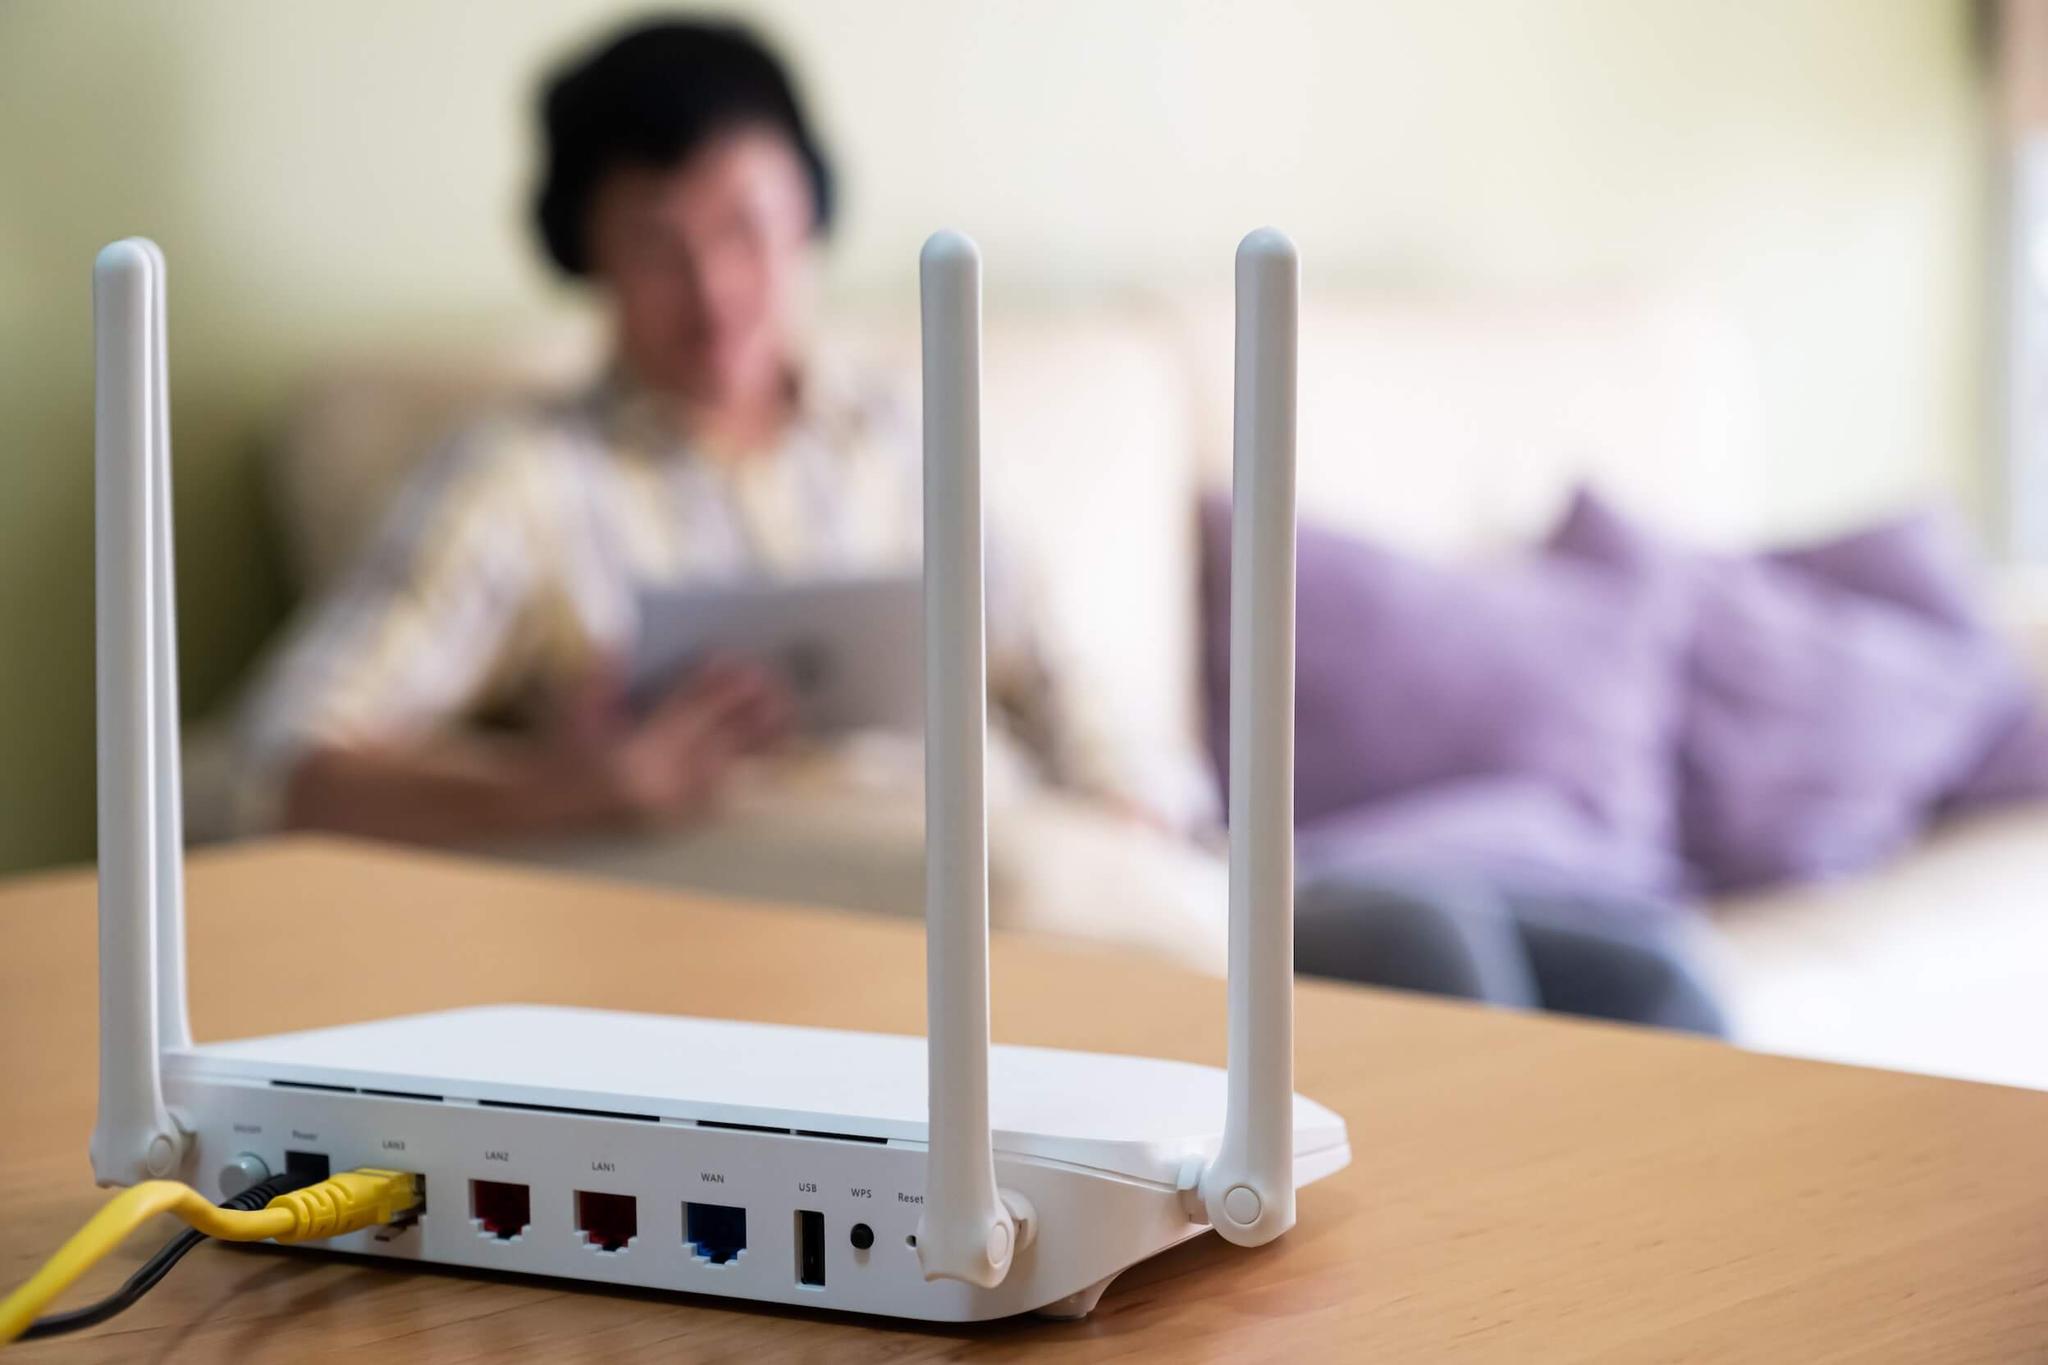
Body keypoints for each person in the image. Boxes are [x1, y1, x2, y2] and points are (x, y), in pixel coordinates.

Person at [228, 19, 1057, 845]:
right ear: (584, 252)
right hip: (722, 902)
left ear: (809, 209)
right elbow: (276, 766)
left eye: (746, 228)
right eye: (659, 248)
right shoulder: (521, 480)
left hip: (1004, 877)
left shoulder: (906, 431)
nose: (714, 293)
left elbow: (1068, 684)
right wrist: (558, 789)